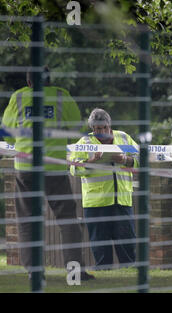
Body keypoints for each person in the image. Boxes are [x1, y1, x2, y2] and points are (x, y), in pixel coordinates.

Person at [1, 66, 95, 281]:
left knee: (27, 221)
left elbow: (7, 134)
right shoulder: (62, 96)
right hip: (54, 169)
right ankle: (75, 272)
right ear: (49, 81)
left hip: (26, 168)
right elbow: (74, 130)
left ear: (29, 82)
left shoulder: (18, 98)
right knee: (67, 219)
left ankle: (35, 272)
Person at [69, 108, 138, 270]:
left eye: (103, 128)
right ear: (92, 129)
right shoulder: (84, 143)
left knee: (127, 245)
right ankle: (105, 278)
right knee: (101, 248)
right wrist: (91, 161)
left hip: (122, 201)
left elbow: (141, 159)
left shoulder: (124, 138)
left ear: (109, 125)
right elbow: (74, 169)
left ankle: (129, 276)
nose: (100, 132)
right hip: (96, 204)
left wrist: (125, 160)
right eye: (96, 129)